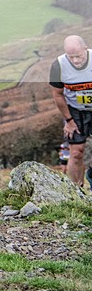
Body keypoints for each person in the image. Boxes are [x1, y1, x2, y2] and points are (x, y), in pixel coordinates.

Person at [49, 35, 92, 188]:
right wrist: (69, 121)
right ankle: (76, 191)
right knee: (76, 152)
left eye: (78, 56)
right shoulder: (58, 66)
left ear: (85, 48)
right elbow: (58, 95)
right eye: (71, 57)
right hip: (75, 110)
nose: (75, 61)